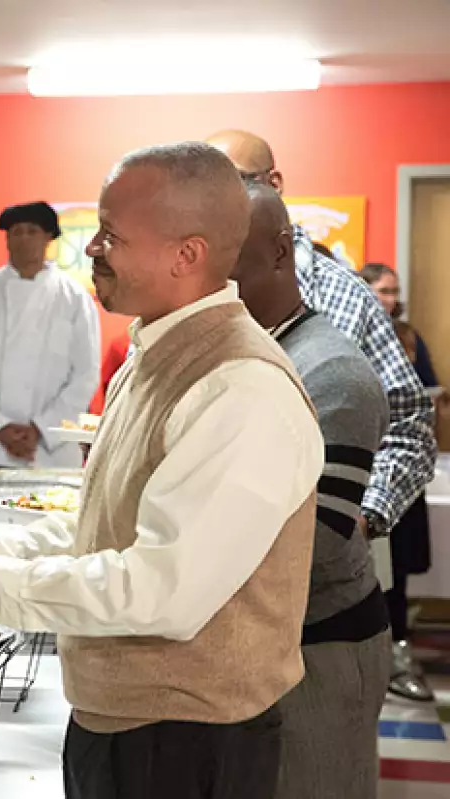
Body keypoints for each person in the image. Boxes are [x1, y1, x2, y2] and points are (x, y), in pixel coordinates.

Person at [0, 142, 323, 799]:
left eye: (112, 235)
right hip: (121, 724)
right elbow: (106, 528)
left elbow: (163, 589)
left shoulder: (240, 385)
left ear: (188, 254)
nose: (92, 249)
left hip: (189, 744)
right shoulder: (154, 355)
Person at [206, 130, 437, 701]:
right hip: (217, 581)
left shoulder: (345, 299)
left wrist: (361, 517)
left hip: (321, 595)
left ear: (273, 185)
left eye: (236, 182)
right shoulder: (200, 289)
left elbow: (410, 425)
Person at [232, 184, 391, 798]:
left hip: (323, 650)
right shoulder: (261, 353)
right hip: (274, 642)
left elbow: (315, 547)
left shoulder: (332, 373)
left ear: (278, 253)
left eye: (229, 259)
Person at [0, 201, 100, 481]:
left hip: (50, 450)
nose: (23, 239)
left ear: (48, 238)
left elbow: (86, 373)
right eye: (15, 232)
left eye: (32, 231)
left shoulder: (74, 297)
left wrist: (40, 429)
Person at [361, 261, 438, 701]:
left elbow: (423, 395)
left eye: (395, 292)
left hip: (397, 462)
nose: (390, 300)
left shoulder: (408, 338)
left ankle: (398, 652)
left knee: (400, 567)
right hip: (362, 461)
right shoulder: (347, 328)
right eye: (383, 291)